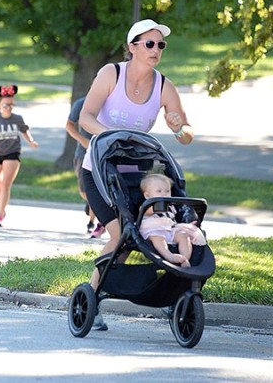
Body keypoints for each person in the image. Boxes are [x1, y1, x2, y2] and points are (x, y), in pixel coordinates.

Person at [79, 19, 194, 330]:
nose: (156, 50)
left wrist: (178, 127)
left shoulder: (164, 86)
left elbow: (187, 133)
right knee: (120, 237)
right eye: (150, 43)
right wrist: (112, 136)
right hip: (100, 171)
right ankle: (92, 294)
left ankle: (168, 295)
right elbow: (85, 117)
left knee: (149, 234)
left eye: (160, 45)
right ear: (132, 47)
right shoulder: (110, 74)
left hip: (136, 179)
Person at [0, 85, 38, 227]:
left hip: (12, 153)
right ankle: (2, 208)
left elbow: (24, 130)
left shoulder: (17, 118)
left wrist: (31, 141)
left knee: (5, 184)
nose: (9, 107)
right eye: (6, 104)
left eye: (12, 105)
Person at [139, 173, 206, 267]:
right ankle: (169, 256)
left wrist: (187, 225)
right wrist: (156, 205)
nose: (164, 193)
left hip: (170, 229)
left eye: (167, 191)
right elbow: (146, 212)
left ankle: (184, 258)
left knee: (184, 236)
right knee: (158, 238)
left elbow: (173, 220)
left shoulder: (171, 206)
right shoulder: (147, 205)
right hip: (153, 230)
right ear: (147, 195)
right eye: (159, 191)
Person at [65, 96, 104, 237]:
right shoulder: (81, 103)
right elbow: (69, 125)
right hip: (83, 152)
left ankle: (94, 222)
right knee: (85, 190)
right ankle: (90, 203)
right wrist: (83, 141)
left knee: (97, 189)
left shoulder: (114, 104)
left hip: (103, 153)